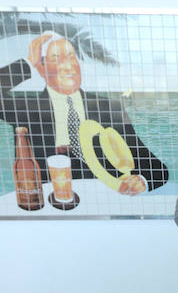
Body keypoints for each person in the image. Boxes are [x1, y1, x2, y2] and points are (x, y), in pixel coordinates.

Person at [0, 33, 168, 193]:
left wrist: (141, 181)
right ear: (42, 69)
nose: (67, 65)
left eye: (71, 56)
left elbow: (156, 169)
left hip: (105, 201)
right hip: (50, 205)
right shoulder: (27, 109)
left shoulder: (110, 108)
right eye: (56, 58)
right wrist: (28, 63)